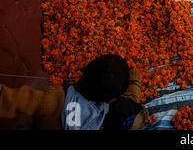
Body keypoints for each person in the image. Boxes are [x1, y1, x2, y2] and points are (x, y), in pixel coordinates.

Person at [0, 54, 133, 130]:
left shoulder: (52, 100)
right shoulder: (97, 118)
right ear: (110, 100)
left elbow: (10, 100)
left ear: (84, 67)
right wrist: (136, 81)